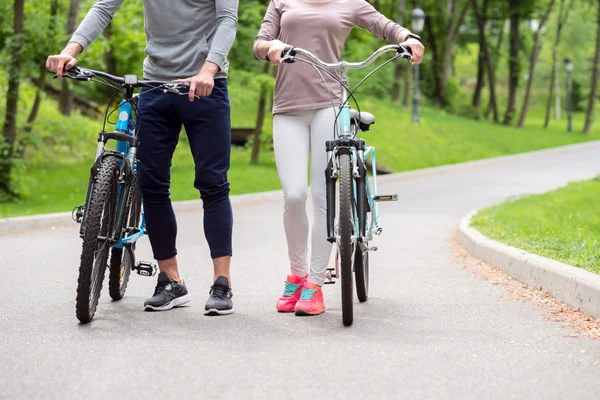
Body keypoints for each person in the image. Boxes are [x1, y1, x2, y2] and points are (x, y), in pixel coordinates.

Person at [46, 0, 239, 315]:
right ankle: (170, 280)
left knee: (212, 182)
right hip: (155, 86)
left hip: (206, 86)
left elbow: (227, 20)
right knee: (151, 182)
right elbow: (104, 7)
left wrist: (209, 68)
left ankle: (222, 282)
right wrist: (71, 50)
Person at [253, 0, 424, 316]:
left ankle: (315, 285)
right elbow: (259, 43)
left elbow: (384, 26)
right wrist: (270, 47)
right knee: (293, 196)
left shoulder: (351, 3)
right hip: (287, 107)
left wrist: (408, 38)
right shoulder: (281, 1)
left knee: (322, 195)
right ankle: (297, 274)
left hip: (329, 104)